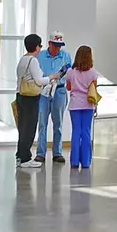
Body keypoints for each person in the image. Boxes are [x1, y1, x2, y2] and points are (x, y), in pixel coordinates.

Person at [15, 34, 60, 169]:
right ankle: (25, 158)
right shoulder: (33, 61)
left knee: (23, 128)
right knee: (29, 128)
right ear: (36, 46)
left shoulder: (23, 59)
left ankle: (20, 156)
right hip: (30, 97)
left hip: (21, 95)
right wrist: (53, 77)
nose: (41, 48)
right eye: (40, 45)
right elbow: (39, 80)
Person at [36, 32, 73, 164]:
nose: (58, 48)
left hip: (59, 91)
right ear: (49, 44)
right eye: (55, 45)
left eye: (60, 46)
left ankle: (57, 152)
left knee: (58, 123)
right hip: (44, 92)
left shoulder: (66, 56)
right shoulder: (40, 56)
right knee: (42, 123)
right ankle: (40, 153)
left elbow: (70, 74)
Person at [65, 46, 100, 171]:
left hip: (74, 105)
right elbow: (93, 89)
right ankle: (85, 162)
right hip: (88, 105)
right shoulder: (92, 73)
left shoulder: (70, 72)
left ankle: (74, 161)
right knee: (86, 132)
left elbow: (68, 87)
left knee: (76, 132)